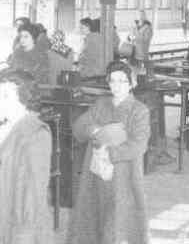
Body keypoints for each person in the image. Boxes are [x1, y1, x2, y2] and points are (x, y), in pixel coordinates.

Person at [67, 61, 150, 244]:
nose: (117, 86)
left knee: (119, 224)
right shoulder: (101, 104)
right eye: (113, 81)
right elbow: (78, 128)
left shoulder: (139, 111)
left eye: (122, 81)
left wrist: (110, 152)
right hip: (95, 174)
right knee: (94, 220)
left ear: (131, 83)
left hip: (123, 176)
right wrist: (94, 131)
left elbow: (139, 145)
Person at [0, 70, 53, 244]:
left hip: (18, 224)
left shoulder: (35, 133)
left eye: (6, 96)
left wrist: (23, 237)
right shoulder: (7, 125)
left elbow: (33, 194)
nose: (0, 101)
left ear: (24, 99)